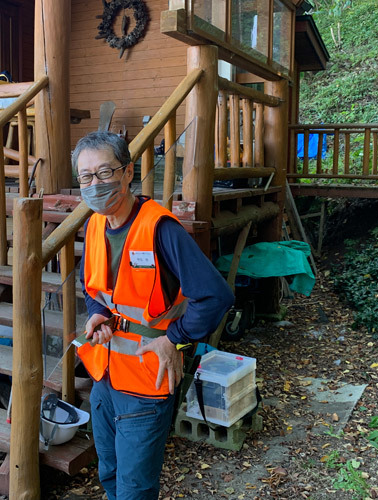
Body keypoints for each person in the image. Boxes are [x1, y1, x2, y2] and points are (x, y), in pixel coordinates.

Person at [73, 132, 234, 500]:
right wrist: (98, 314)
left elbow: (215, 296)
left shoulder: (160, 228)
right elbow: (92, 287)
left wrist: (174, 338)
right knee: (110, 476)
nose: (95, 184)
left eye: (104, 172)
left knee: (135, 490)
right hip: (105, 375)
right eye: (86, 177)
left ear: (128, 172)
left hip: (147, 382)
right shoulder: (95, 224)